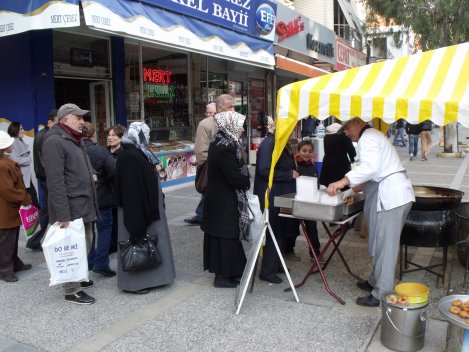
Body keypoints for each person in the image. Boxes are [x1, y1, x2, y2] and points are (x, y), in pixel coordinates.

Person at [326, 117, 414, 307]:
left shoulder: (369, 138)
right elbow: (370, 176)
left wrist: (341, 182)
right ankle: (374, 281)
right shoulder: (370, 137)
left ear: (358, 122)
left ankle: (381, 294)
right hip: (390, 195)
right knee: (378, 241)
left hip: (392, 197)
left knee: (385, 247)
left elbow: (369, 168)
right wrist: (348, 191)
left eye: (347, 128)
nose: (346, 133)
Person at [42, 103, 99, 305]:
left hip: (82, 204)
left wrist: (91, 173)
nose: (82, 121)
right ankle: (71, 290)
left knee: (85, 244)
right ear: (66, 119)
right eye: (79, 117)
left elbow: (83, 163)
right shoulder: (54, 142)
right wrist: (63, 215)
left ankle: (79, 276)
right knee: (72, 247)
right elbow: (55, 181)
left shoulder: (74, 139)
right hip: (71, 208)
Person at [114, 122, 175, 294]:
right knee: (137, 246)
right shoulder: (130, 157)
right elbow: (132, 192)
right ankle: (136, 284)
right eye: (146, 134)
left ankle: (153, 279)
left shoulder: (138, 152)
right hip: (136, 212)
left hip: (144, 209)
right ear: (138, 136)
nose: (148, 138)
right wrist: (136, 224)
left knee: (150, 243)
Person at [201, 111, 251, 288]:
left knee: (227, 236)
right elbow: (235, 177)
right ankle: (223, 276)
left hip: (220, 198)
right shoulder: (225, 146)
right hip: (223, 200)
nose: (243, 129)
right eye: (240, 125)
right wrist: (246, 179)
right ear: (230, 125)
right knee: (226, 235)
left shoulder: (222, 141)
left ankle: (232, 272)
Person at [254, 117, 299, 284]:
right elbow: (264, 170)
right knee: (273, 231)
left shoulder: (281, 142)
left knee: (280, 231)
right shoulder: (269, 143)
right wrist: (288, 175)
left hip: (279, 193)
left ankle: (277, 264)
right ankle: (268, 271)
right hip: (270, 194)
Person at [185, 94, 236, 225]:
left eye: (234, 107)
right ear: (220, 108)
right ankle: (204, 216)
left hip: (230, 173)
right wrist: (210, 169)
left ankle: (205, 215)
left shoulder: (233, 123)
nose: (233, 110)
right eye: (230, 107)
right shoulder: (205, 125)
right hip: (214, 172)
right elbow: (201, 151)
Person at [81, 122, 116, 277]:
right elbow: (114, 170)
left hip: (82, 197)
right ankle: (101, 262)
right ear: (93, 135)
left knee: (87, 231)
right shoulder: (100, 151)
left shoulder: (74, 150)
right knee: (104, 229)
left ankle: (88, 261)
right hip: (101, 196)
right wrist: (104, 181)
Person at [0, 131, 33, 282]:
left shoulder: (4, 162)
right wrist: (24, 198)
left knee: (10, 239)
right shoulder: (3, 165)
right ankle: (6, 270)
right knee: (7, 241)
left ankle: (14, 264)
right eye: (9, 143)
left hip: (7, 209)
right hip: (5, 210)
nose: (12, 144)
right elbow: (7, 190)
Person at [26, 109, 58, 251]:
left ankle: (35, 240)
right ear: (50, 122)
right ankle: (40, 239)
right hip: (47, 179)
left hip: (43, 178)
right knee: (53, 211)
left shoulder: (42, 134)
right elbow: (48, 161)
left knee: (46, 210)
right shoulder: (47, 136)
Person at [294, 140, 321, 259]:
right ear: (298, 151)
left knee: (312, 228)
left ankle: (315, 253)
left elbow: (316, 184)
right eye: (304, 151)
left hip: (310, 203)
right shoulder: (295, 166)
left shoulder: (313, 166)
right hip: (297, 202)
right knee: (292, 229)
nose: (307, 153)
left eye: (310, 151)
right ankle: (288, 249)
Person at [8, 122, 39, 209]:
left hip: (26, 177)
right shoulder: (12, 142)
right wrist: (28, 159)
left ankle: (37, 220)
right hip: (20, 178)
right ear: (15, 130)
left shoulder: (20, 141)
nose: (23, 130)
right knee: (29, 200)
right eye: (21, 129)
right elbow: (17, 160)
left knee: (33, 198)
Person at [106, 124, 126, 254]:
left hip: (118, 191)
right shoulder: (104, 152)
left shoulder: (124, 154)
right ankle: (111, 244)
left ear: (121, 137)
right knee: (109, 221)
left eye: (114, 135)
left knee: (119, 220)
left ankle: (119, 243)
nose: (110, 137)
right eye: (109, 135)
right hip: (106, 192)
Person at [319, 122, 356, 189]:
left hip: (327, 164)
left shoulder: (326, 137)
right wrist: (354, 165)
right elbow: (351, 151)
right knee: (343, 187)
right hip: (340, 165)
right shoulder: (343, 135)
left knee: (330, 188)